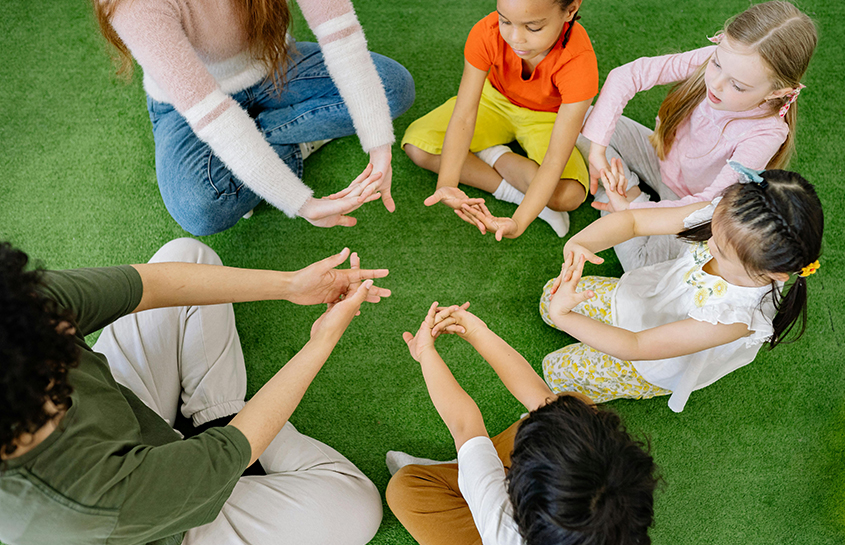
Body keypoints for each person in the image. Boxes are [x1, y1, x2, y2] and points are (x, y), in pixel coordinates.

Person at [0, 238, 390, 545]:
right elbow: (225, 451)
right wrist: (320, 342)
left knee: (188, 255)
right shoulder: (78, 501)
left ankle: (215, 412)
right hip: (160, 529)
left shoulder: (18, 311)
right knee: (357, 506)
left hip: (132, 422)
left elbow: (149, 285)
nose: (69, 329)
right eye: (57, 359)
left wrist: (291, 284)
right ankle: (224, 418)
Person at [94, 0, 415, 236]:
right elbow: (214, 116)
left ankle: (256, 157)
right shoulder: (132, 5)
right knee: (198, 209)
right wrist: (302, 204)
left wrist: (379, 146)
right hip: (190, 107)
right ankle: (295, 137)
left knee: (393, 89)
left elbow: (341, 37)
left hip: (273, 65)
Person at [540, 163, 823, 412]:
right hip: (645, 297)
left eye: (722, 252)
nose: (709, 243)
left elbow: (635, 345)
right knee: (549, 298)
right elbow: (635, 221)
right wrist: (580, 244)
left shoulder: (737, 317)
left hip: (649, 360)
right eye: (713, 229)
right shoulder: (729, 217)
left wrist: (566, 317)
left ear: (774, 273)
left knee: (557, 370)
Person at [386, 302, 659, 545]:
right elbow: (542, 401)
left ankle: (466, 471)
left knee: (404, 489)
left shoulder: (500, 525)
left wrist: (425, 352)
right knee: (573, 407)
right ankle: (471, 468)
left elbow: (464, 425)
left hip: (490, 520)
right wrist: (477, 332)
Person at [576, 0, 816, 270]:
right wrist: (597, 151)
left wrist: (634, 213)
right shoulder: (724, 59)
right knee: (583, 120)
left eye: (737, 86)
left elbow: (710, 203)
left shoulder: (768, 133)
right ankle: (628, 190)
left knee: (639, 264)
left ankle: (631, 198)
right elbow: (628, 75)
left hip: (690, 207)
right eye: (716, 64)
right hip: (659, 156)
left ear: (776, 93)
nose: (715, 83)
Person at [403, 0, 598, 240]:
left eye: (533, 27)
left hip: (549, 118)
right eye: (504, 20)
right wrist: (448, 183)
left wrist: (518, 223)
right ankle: (509, 185)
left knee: (568, 195)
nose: (515, 38)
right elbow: (465, 112)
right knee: (418, 147)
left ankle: (492, 153)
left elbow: (555, 159)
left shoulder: (579, 63)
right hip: (493, 101)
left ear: (570, 10)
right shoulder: (486, 32)